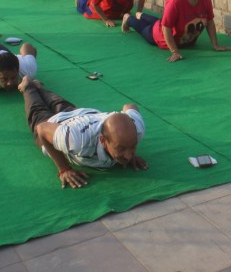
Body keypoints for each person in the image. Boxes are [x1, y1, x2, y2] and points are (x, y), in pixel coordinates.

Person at [18, 76, 147, 188]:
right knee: (36, 108)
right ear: (103, 140)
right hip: (54, 123)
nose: (129, 156)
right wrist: (64, 169)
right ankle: (26, 85)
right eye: (121, 148)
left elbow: (130, 106)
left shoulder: (137, 128)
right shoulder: (77, 141)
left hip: (77, 113)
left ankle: (38, 87)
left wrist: (127, 150)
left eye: (133, 146)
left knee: (56, 101)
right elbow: (42, 129)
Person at [122, 0, 231, 62]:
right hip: (159, 36)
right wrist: (175, 52)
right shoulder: (175, 2)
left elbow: (210, 22)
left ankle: (141, 15)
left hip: (186, 40)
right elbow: (166, 27)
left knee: (160, 21)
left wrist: (215, 45)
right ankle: (129, 18)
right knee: (143, 28)